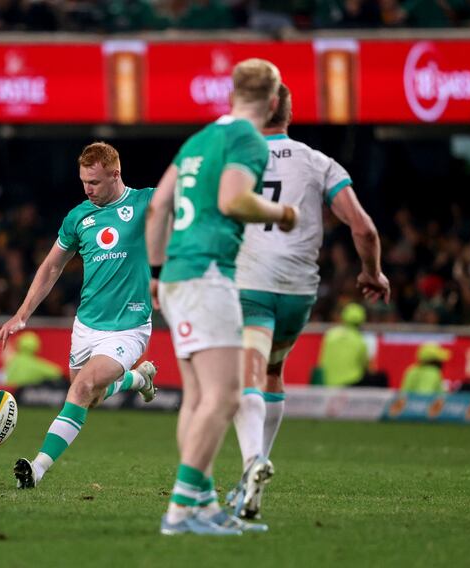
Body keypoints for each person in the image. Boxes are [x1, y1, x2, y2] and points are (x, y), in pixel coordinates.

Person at [146, 58, 299, 536]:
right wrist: (284, 213)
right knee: (227, 396)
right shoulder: (248, 139)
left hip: (176, 273)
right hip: (210, 273)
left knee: (198, 397)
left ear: (231, 94)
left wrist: (155, 272)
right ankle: (179, 509)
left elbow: (157, 207)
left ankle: (205, 504)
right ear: (273, 102)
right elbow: (234, 200)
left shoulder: (198, 140)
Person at [228, 84, 390, 520]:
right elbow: (364, 229)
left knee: (247, 375)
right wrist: (371, 272)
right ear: (290, 114)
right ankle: (257, 462)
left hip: (251, 285)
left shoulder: (237, 157)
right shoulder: (319, 162)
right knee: (274, 372)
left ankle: (250, 467)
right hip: (299, 291)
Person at [0, 142, 158, 490]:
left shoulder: (146, 203)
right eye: (83, 181)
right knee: (90, 396)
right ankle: (139, 380)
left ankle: (36, 469)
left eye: (95, 182)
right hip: (86, 325)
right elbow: (52, 266)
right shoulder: (78, 217)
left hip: (128, 328)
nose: (87, 188)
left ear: (115, 174)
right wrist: (21, 314)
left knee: (83, 388)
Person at [317, 303, 386, 387]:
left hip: (328, 382)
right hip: (350, 383)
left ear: (343, 317)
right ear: (362, 320)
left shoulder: (330, 335)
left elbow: (321, 361)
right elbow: (367, 367)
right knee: (382, 377)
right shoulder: (360, 340)